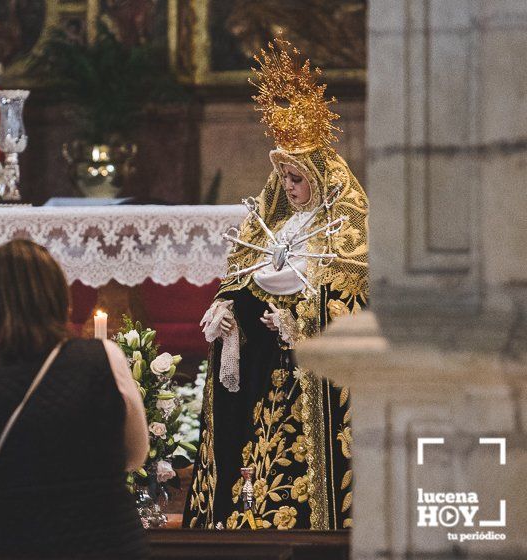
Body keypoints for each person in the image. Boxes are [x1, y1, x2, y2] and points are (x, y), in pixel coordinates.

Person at [183, 39, 368, 531]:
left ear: (321, 179)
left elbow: (349, 301)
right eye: (284, 176)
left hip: (309, 371)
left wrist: (300, 320)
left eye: (298, 178)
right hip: (270, 365)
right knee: (256, 450)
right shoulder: (276, 224)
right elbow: (243, 278)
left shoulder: (343, 231)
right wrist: (226, 310)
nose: (288, 186)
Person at [0, 239, 149, 558]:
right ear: (58, 295)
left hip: (15, 541)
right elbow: (137, 453)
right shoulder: (103, 356)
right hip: (104, 539)